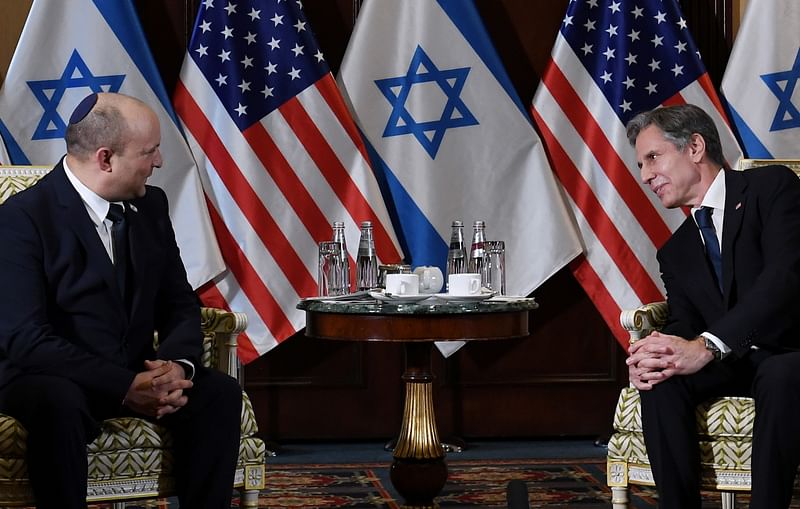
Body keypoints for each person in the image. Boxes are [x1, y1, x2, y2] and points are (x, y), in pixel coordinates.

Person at [0, 92, 242, 509]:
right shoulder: (21, 219)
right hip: (50, 376)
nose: (160, 162)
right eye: (150, 151)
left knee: (218, 393)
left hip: (134, 369)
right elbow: (25, 339)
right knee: (59, 404)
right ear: (106, 158)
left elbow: (178, 303)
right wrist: (124, 386)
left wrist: (175, 367)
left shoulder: (150, 206)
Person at [625, 103, 800, 509]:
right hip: (732, 360)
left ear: (695, 147)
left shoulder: (771, 188)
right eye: (640, 165)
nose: (646, 175)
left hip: (789, 350)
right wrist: (655, 355)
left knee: (782, 374)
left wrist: (705, 345)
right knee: (660, 380)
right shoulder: (676, 250)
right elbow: (686, 321)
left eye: (653, 157)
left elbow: (785, 279)